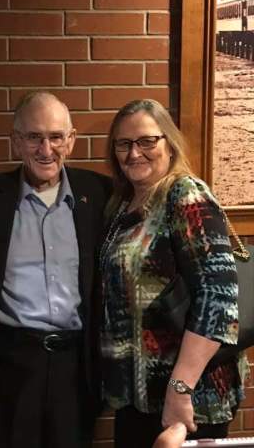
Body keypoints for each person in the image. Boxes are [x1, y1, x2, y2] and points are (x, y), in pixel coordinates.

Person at [0, 91, 112, 448]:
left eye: (56, 137)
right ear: (15, 142)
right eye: (34, 137)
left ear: (71, 141)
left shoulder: (100, 193)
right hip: (13, 362)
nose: (46, 149)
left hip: (76, 365)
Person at [99, 99, 246, 448]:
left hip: (189, 397)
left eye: (147, 141)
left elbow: (219, 298)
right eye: (124, 143)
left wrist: (180, 390)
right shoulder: (122, 204)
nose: (135, 153)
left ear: (169, 142)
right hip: (139, 397)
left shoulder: (185, 194)